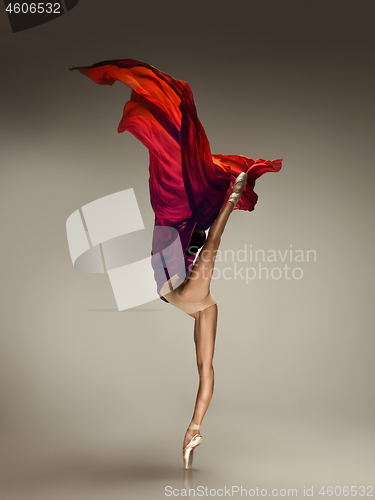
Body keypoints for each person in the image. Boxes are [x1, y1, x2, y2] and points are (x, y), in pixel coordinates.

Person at [70, 59, 282, 469]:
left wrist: (234, 199)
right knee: (205, 369)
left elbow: (214, 240)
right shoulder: (200, 295)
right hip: (181, 285)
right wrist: (233, 195)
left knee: (172, 202)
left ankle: (193, 431)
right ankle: (193, 432)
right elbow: (213, 240)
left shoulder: (186, 282)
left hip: (174, 280)